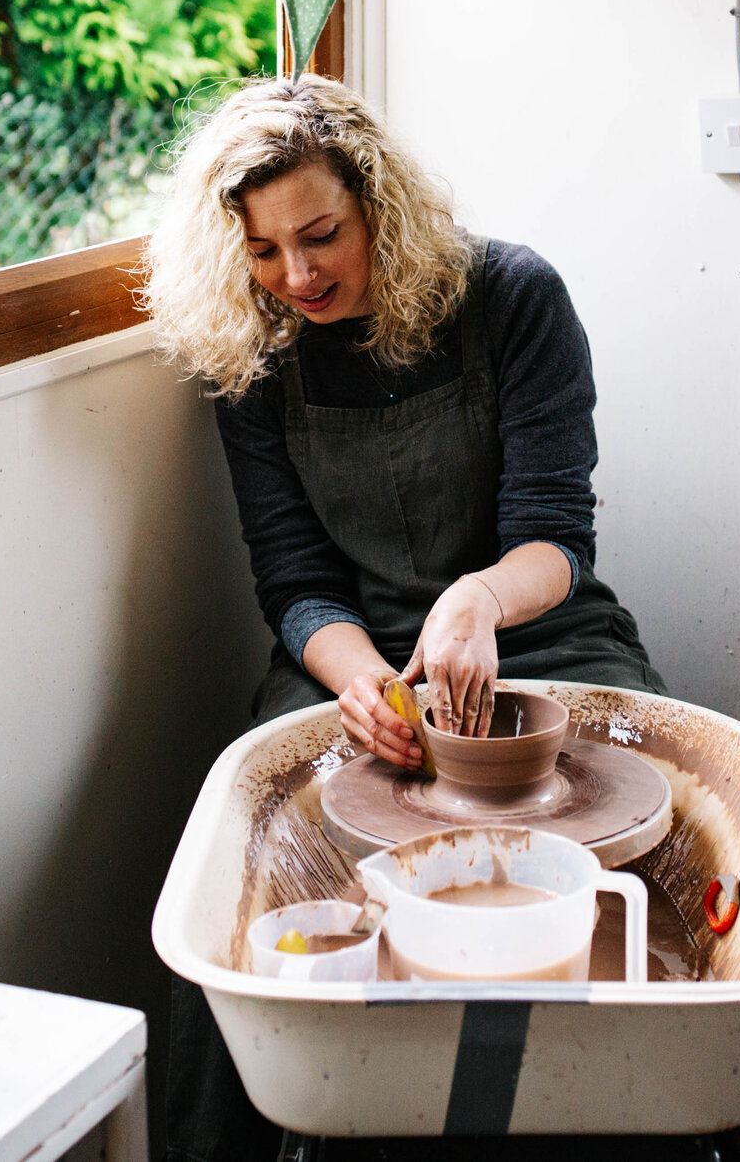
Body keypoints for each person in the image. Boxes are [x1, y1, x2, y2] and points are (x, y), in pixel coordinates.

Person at [142, 74, 667, 1162]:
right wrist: (361, 681)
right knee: (242, 866)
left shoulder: (512, 295)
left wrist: (473, 598)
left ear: (377, 200)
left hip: (540, 634)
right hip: (351, 658)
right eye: (263, 252)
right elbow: (292, 581)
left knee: (655, 859)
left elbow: (557, 538)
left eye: (321, 234)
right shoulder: (256, 353)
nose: (298, 274)